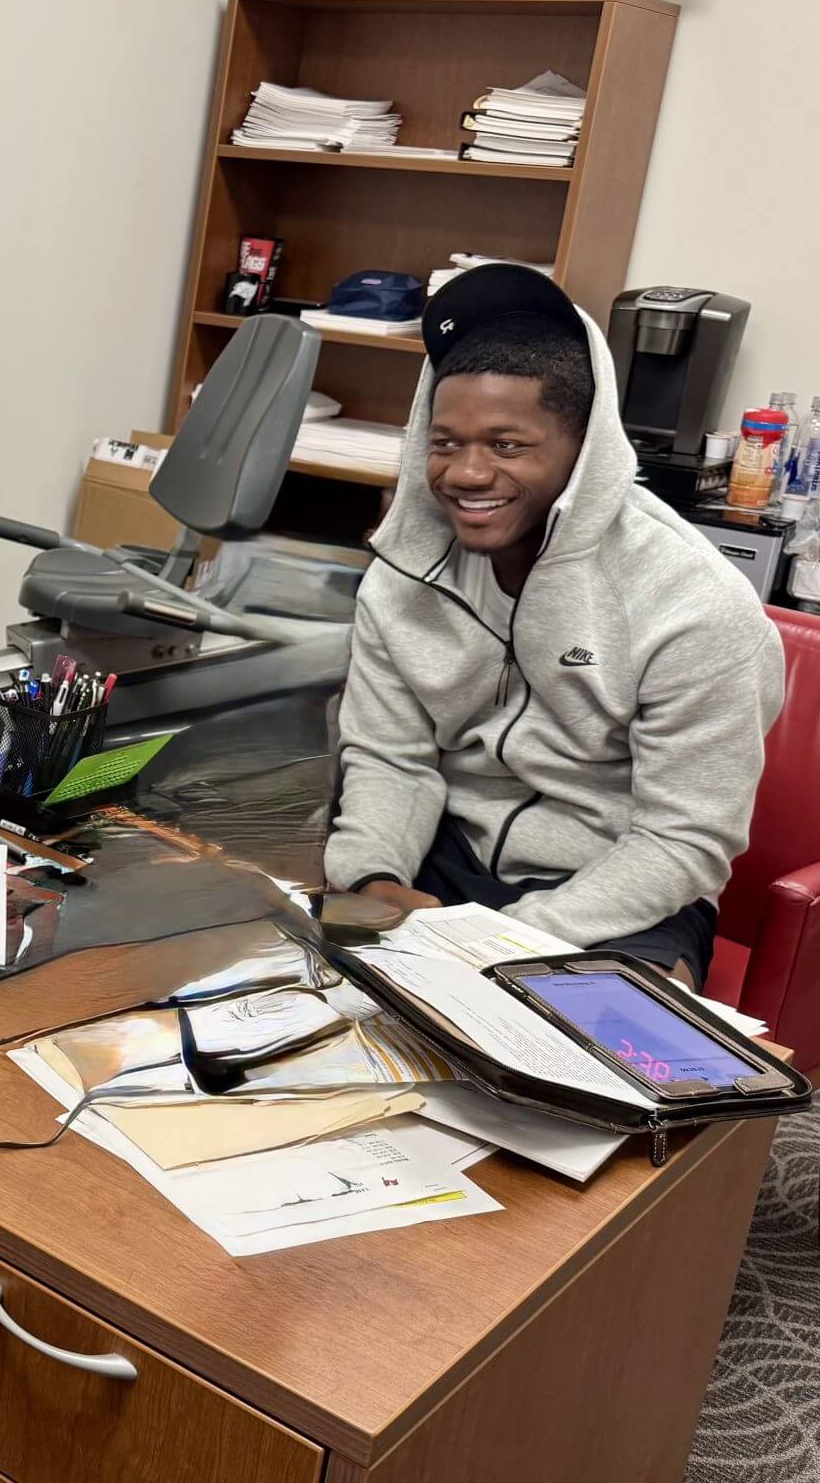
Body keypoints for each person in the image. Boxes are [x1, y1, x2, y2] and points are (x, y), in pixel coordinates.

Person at [324, 265, 784, 987]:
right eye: (446, 443)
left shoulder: (696, 607)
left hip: (618, 892)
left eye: (507, 444)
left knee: (580, 1076)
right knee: (290, 996)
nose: (466, 474)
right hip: (444, 854)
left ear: (583, 449)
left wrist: (508, 942)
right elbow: (391, 757)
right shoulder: (406, 571)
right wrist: (374, 879)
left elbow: (682, 840)